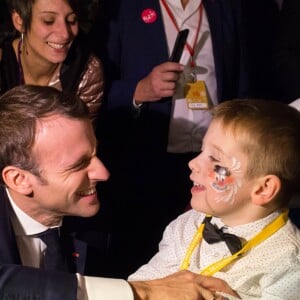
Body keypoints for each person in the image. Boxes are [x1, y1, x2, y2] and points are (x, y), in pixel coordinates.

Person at [91, 0, 280, 277]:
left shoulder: (229, 7)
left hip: (215, 160)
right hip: (146, 161)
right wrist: (138, 90)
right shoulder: (123, 7)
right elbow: (96, 83)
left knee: (207, 254)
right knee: (141, 251)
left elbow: (244, 79)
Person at [0, 84, 239, 300]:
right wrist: (140, 292)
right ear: (19, 179)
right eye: (78, 164)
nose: (103, 173)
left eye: (95, 154)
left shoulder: (108, 214)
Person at [129, 99, 300, 299]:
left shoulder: (289, 263)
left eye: (214, 159)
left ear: (263, 188)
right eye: (202, 151)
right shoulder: (187, 225)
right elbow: (143, 284)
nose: (193, 163)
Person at [0, 0, 104, 120]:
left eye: (71, 20)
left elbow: (82, 137)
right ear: (20, 21)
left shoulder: (87, 71)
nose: (65, 34)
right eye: (49, 21)